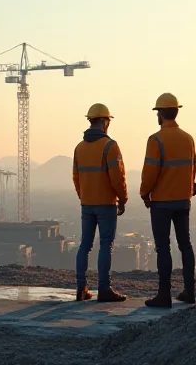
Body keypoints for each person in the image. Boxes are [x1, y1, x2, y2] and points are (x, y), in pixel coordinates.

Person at [139, 93, 196, 308]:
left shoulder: (156, 140)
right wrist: (188, 190)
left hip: (162, 202)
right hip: (183, 200)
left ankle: (164, 295)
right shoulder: (188, 138)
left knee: (163, 248)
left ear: (160, 113)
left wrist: (145, 193)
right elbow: (193, 168)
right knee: (185, 245)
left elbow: (150, 172)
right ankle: (189, 291)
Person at [72, 103, 129, 302]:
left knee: (85, 245)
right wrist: (122, 198)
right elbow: (118, 177)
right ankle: (104, 289)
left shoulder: (79, 148)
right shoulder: (110, 146)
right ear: (105, 121)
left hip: (87, 204)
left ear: (90, 121)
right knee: (106, 245)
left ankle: (81, 288)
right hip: (106, 204)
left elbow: (76, 177)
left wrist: (84, 196)